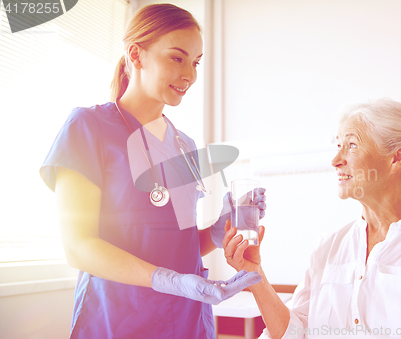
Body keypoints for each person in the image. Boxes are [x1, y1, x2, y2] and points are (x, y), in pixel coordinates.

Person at [39, 4, 265, 338]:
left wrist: (217, 232)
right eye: (177, 58)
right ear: (136, 54)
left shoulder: (184, 145)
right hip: (118, 319)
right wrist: (167, 280)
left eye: (196, 62)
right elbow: (78, 245)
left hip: (187, 320)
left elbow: (178, 244)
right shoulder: (88, 128)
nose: (190, 74)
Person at [223, 98, 401, 338]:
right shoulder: (328, 247)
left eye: (351, 145)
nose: (336, 160)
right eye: (338, 146)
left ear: (396, 157)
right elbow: (295, 332)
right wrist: (254, 275)